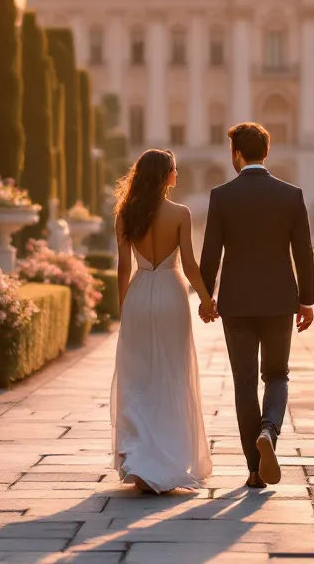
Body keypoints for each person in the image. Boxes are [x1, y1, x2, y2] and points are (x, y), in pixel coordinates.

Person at [200, 123, 314, 489]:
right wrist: (307, 300)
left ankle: (253, 469)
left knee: (244, 384)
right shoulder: (291, 195)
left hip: (236, 302)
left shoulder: (221, 195)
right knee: (277, 375)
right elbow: (304, 252)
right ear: (267, 152)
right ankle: (269, 431)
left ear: (236, 154)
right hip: (280, 299)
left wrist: (205, 297)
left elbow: (210, 253)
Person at [110, 149, 214, 493]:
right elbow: (191, 265)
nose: (177, 175)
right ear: (165, 174)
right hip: (172, 294)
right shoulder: (180, 213)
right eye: (174, 170)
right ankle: (167, 457)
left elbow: (123, 268)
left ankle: (140, 461)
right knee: (172, 374)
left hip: (139, 293)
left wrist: (124, 308)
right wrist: (206, 299)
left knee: (138, 377)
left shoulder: (125, 214)